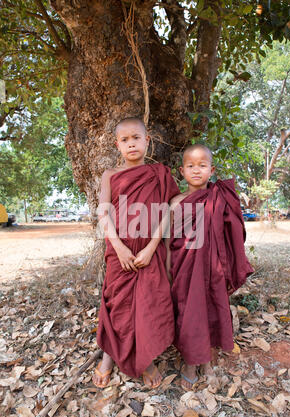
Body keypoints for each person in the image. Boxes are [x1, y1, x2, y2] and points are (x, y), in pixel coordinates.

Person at [93, 117, 180, 389]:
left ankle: (145, 360)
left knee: (147, 305)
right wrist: (118, 248)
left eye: (136, 138)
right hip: (119, 252)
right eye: (125, 140)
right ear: (117, 144)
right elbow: (104, 214)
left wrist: (152, 247)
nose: (131, 144)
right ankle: (109, 356)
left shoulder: (160, 174)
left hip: (149, 252)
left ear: (147, 141)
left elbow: (167, 211)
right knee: (116, 304)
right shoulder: (110, 176)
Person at [166, 144, 254, 391]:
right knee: (188, 314)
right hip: (183, 269)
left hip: (211, 268)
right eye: (191, 166)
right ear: (182, 171)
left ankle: (205, 361)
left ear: (212, 169)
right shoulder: (175, 202)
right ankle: (191, 364)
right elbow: (167, 241)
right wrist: (167, 268)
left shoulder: (220, 198)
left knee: (210, 311)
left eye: (202, 165)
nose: (196, 170)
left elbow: (232, 231)